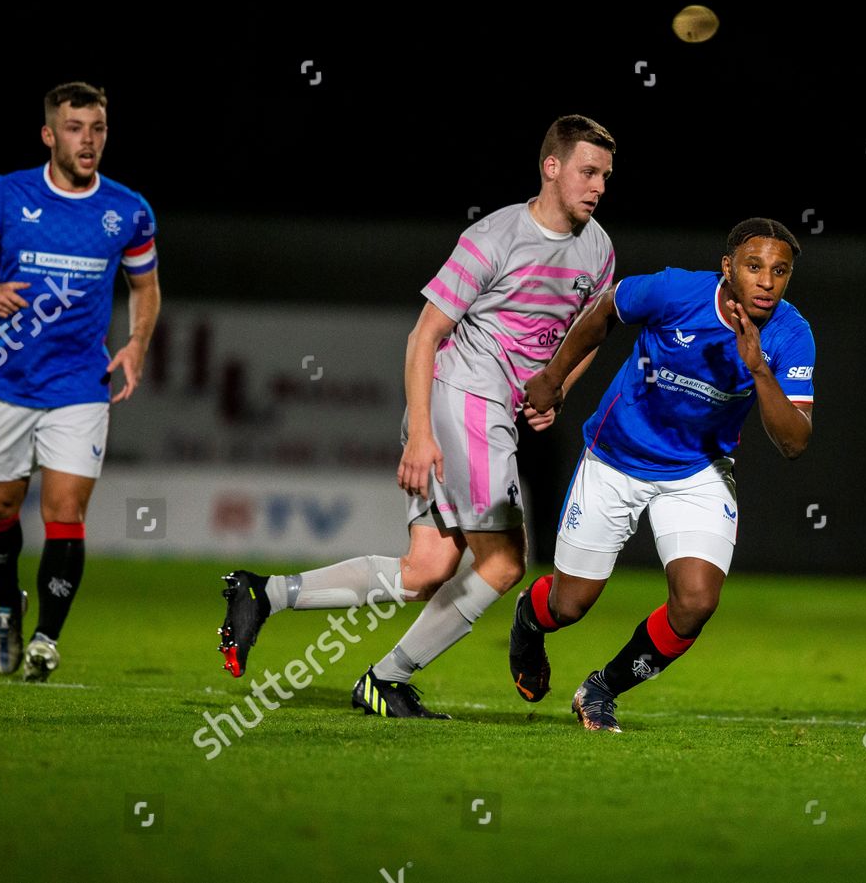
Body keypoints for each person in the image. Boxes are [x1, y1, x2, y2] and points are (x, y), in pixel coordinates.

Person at [216, 114, 616, 719]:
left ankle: (263, 594)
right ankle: (386, 677)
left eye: (607, 177)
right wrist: (422, 434)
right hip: (463, 403)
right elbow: (424, 335)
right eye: (588, 171)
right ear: (551, 167)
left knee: (426, 569)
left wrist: (556, 387)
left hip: (485, 415)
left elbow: (590, 333)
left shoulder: (599, 249)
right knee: (506, 562)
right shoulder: (494, 237)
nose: (598, 186)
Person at [511, 218, 816, 731]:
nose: (766, 280)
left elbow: (794, 442)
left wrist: (760, 369)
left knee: (695, 603)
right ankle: (527, 618)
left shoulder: (791, 334)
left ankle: (602, 688)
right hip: (615, 456)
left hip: (697, 471)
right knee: (568, 606)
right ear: (728, 268)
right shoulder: (677, 291)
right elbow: (607, 305)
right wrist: (552, 376)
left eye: (779, 271)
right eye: (754, 266)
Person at [0, 81, 161, 682]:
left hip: (79, 386)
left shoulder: (127, 209)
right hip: (7, 381)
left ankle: (45, 641)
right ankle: (8, 606)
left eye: (98, 129)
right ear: (49, 134)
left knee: (65, 509)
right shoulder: (6, 195)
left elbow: (144, 285)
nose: (88, 141)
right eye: (75, 128)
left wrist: (136, 343)